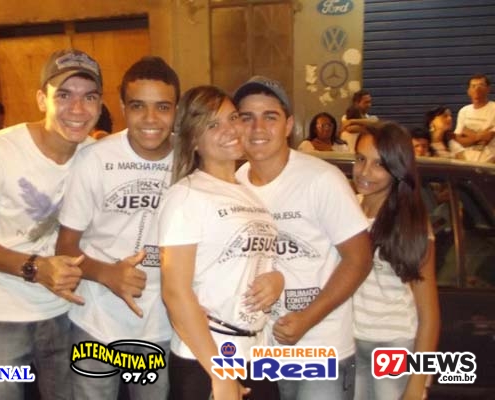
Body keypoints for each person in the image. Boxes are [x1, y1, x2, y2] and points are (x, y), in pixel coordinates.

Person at [0, 48, 102, 399]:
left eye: (89, 97)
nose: (78, 109)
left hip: (66, 313)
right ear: (41, 99)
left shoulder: (94, 154)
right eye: (64, 95)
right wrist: (36, 267)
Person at [233, 76, 373, 400]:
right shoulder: (235, 183)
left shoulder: (321, 179)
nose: (257, 127)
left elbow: (360, 258)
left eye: (270, 116)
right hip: (261, 351)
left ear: (288, 126)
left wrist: (307, 319)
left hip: (321, 350)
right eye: (246, 117)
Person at [55, 56, 179, 400]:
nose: (150, 119)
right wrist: (107, 273)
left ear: (176, 110)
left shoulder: (189, 159)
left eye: (163, 107)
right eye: (138, 106)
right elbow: (65, 246)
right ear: (123, 107)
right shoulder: (94, 159)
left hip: (160, 324)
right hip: (96, 321)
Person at [158, 85, 283, 400]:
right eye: (213, 124)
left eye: (233, 118)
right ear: (193, 140)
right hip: (208, 357)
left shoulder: (247, 192)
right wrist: (219, 372)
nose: (231, 129)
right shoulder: (186, 195)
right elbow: (175, 292)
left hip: (256, 350)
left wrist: (277, 280)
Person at [352, 122, 440, 400]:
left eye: (379, 164)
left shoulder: (411, 224)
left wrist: (418, 383)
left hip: (394, 347)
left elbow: (429, 313)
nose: (365, 172)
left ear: (397, 168)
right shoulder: (347, 208)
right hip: (348, 343)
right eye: (360, 159)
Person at [453, 74, 495, 162]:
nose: (477, 89)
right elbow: (458, 139)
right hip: (466, 161)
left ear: (488, 89)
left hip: (489, 161)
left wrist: (469, 134)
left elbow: (489, 136)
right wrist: (480, 136)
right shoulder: (464, 111)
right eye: (473, 86)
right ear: (468, 91)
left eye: (481, 85)